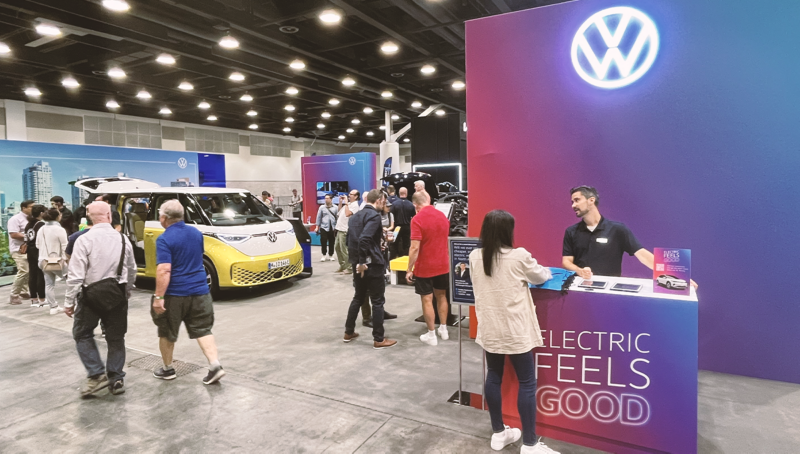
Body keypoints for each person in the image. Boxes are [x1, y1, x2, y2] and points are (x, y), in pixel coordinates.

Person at [468, 210, 557, 454]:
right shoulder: (519, 256)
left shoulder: (475, 256)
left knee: (494, 376)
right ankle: (529, 443)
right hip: (515, 331)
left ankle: (499, 433)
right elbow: (540, 276)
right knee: (527, 382)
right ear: (508, 231)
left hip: (490, 328)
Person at [64, 202, 136, 397]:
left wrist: (69, 302)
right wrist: (127, 290)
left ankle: (96, 375)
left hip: (90, 297)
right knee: (116, 337)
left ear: (88, 217)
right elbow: (132, 269)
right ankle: (116, 377)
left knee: (82, 333)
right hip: (117, 295)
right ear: (109, 216)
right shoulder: (123, 239)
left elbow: (76, 275)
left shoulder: (83, 240)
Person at [561, 185, 699, 288]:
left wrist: (678, 277)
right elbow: (566, 262)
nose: (573, 205)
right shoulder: (571, 231)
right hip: (578, 289)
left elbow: (644, 256)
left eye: (577, 200)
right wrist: (579, 271)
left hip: (610, 291)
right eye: (572, 202)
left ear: (591, 200)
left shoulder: (618, 230)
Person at [151, 200, 226, 385]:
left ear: (164, 218)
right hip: (200, 292)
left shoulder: (164, 238)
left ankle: (168, 369)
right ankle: (215, 366)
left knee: (167, 332)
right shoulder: (196, 233)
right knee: (203, 329)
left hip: (175, 294)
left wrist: (159, 296)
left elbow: (164, 270)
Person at [343, 189, 397, 350]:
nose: (385, 205)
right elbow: (364, 239)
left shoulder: (355, 217)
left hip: (358, 264)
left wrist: (357, 262)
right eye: (384, 201)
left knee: (358, 297)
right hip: (371, 264)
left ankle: (348, 332)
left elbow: (350, 241)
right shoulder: (373, 216)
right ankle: (379, 339)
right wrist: (362, 261)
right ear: (379, 200)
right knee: (377, 301)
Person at [406, 192, 451, 346]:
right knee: (442, 296)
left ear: (415, 205)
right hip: (443, 264)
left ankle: (432, 335)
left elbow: (414, 248)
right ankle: (443, 329)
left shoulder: (417, 219)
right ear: (429, 199)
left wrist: (409, 268)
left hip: (425, 266)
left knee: (427, 299)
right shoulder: (443, 217)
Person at [36, 208, 69, 315]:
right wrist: (67, 260)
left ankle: (53, 307)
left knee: (49, 284)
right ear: (57, 216)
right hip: (58, 261)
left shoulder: (41, 229)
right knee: (71, 281)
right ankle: (72, 303)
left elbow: (37, 245)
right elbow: (65, 246)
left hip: (43, 261)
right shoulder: (60, 229)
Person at [7, 200, 34, 305]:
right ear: (24, 208)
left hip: (28, 248)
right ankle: (14, 294)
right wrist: (28, 236)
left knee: (29, 270)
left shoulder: (31, 219)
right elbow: (13, 234)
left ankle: (23, 291)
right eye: (31, 207)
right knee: (24, 271)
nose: (33, 209)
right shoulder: (15, 219)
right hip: (18, 249)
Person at [24, 204, 47, 308]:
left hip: (29, 250)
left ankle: (34, 299)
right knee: (40, 274)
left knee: (32, 274)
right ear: (41, 213)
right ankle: (42, 298)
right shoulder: (41, 224)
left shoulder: (28, 224)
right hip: (38, 250)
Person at [334, 190, 360, 274]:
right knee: (337, 247)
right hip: (339, 228)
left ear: (356, 196)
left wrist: (346, 203)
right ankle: (343, 265)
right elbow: (339, 212)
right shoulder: (348, 204)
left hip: (345, 229)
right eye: (349, 194)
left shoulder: (355, 205)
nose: (349, 195)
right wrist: (340, 202)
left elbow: (347, 214)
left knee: (344, 249)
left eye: (351, 194)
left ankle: (349, 267)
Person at [390, 187, 416, 257]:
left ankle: (392, 260)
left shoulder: (394, 204)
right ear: (406, 193)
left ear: (399, 193)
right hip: (407, 227)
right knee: (407, 244)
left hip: (397, 227)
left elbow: (391, 215)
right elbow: (414, 216)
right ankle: (406, 260)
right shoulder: (411, 204)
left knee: (394, 244)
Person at [315, 194, 338, 262]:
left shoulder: (335, 207)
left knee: (332, 241)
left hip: (332, 227)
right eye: (325, 198)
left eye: (327, 198)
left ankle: (331, 255)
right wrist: (317, 227)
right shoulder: (322, 207)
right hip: (324, 227)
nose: (326, 200)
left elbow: (337, 217)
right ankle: (324, 255)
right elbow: (318, 217)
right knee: (323, 241)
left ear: (331, 199)